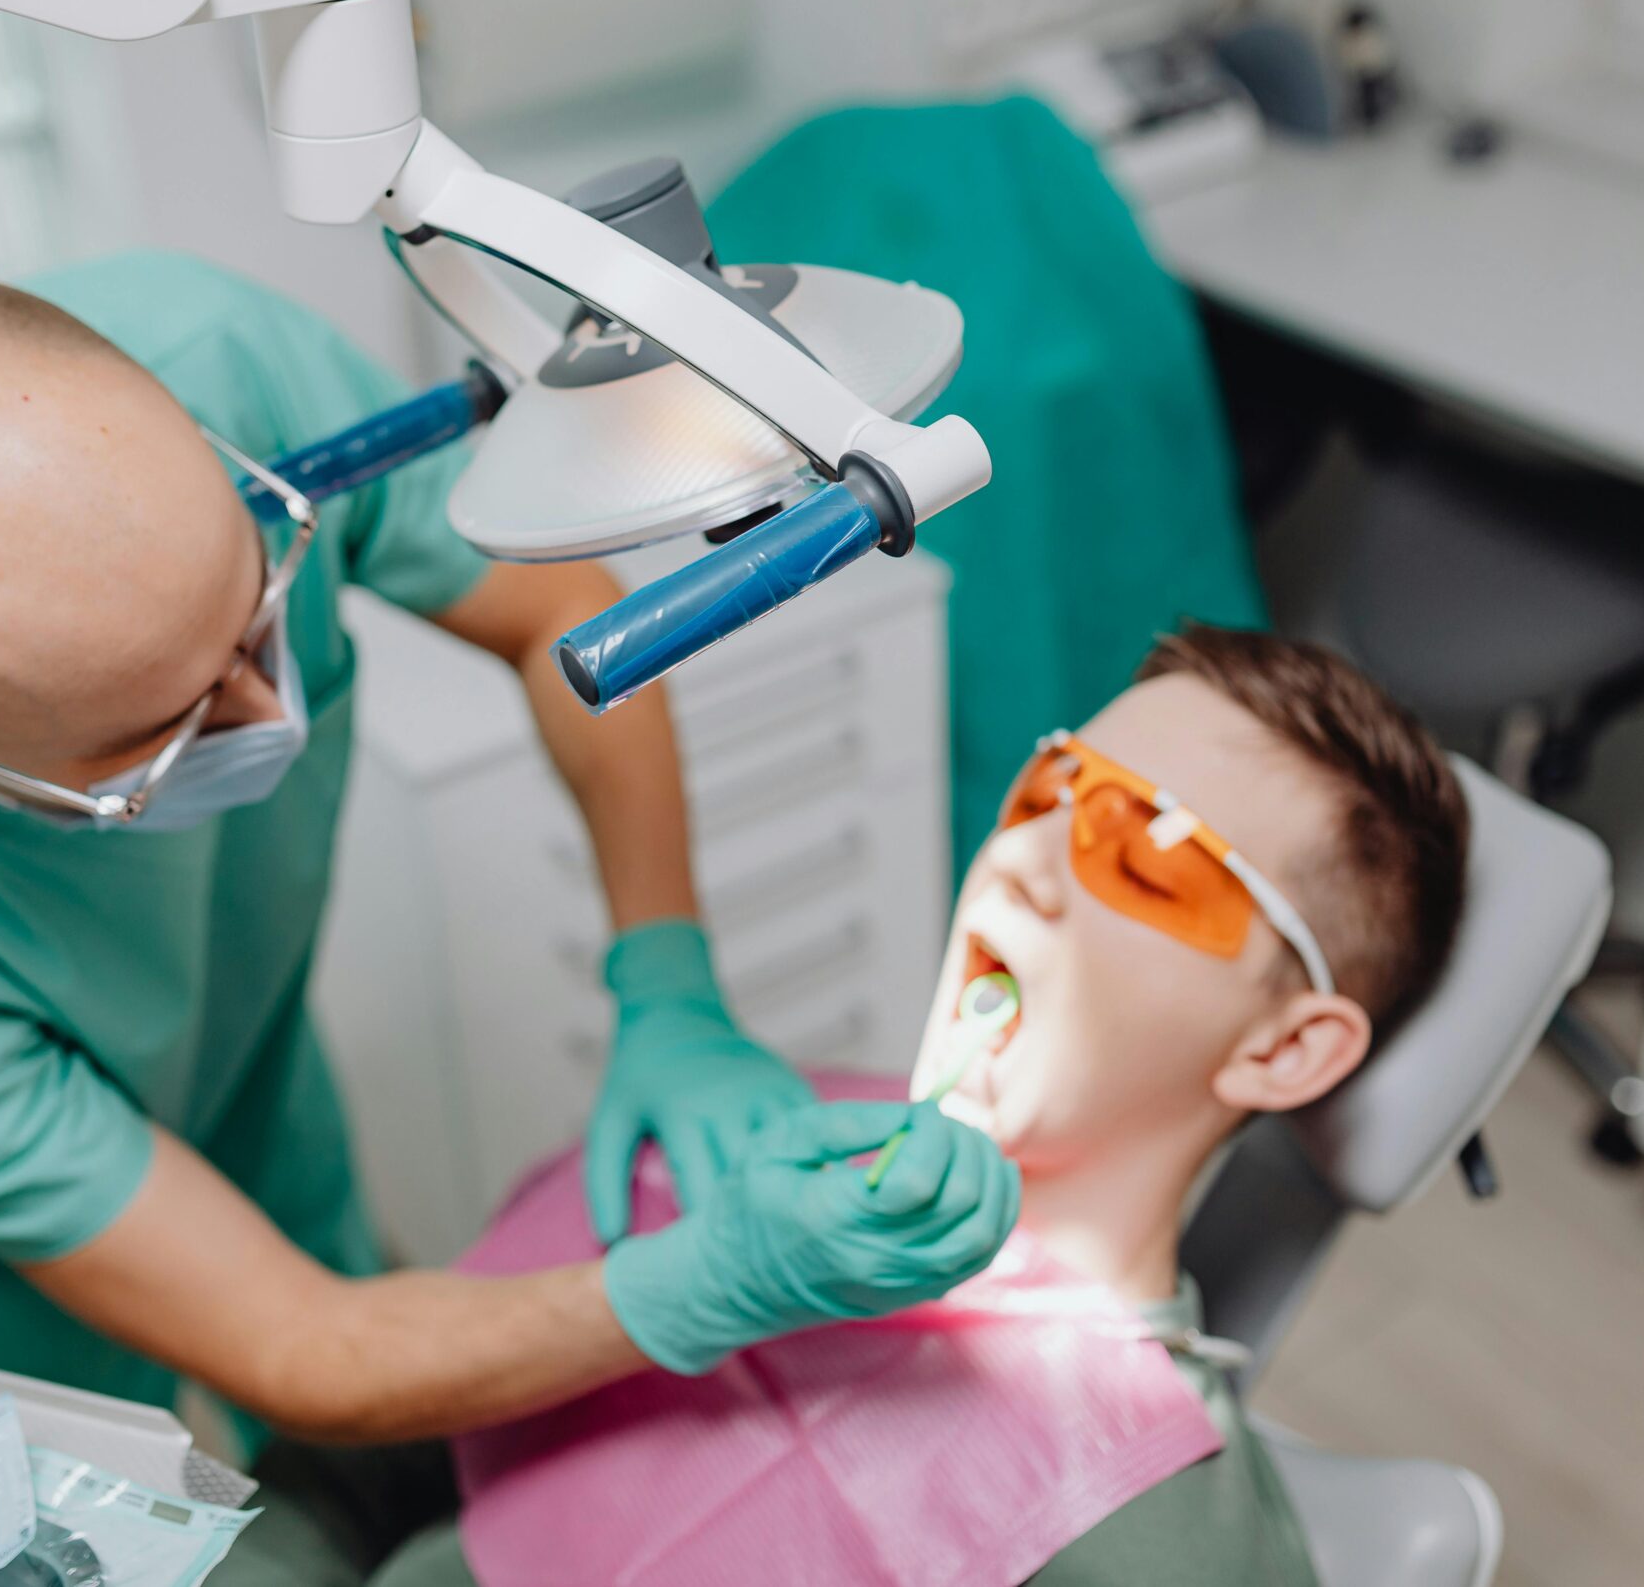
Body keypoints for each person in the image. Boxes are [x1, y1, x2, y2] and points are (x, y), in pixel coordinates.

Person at [0, 250, 1018, 1467]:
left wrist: (667, 972)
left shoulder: (223, 368)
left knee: (352, 1433)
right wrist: (712, 1278)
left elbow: (555, 611)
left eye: (258, 618)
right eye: (165, 729)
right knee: (63, 1510)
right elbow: (303, 1345)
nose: (270, 716)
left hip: (248, 1062)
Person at [372, 624, 1471, 1586]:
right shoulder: (773, 1137)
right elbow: (367, 1432)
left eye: (1146, 854)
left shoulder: (1143, 1531)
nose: (1021, 855)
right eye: (1048, 788)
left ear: (1283, 1050)